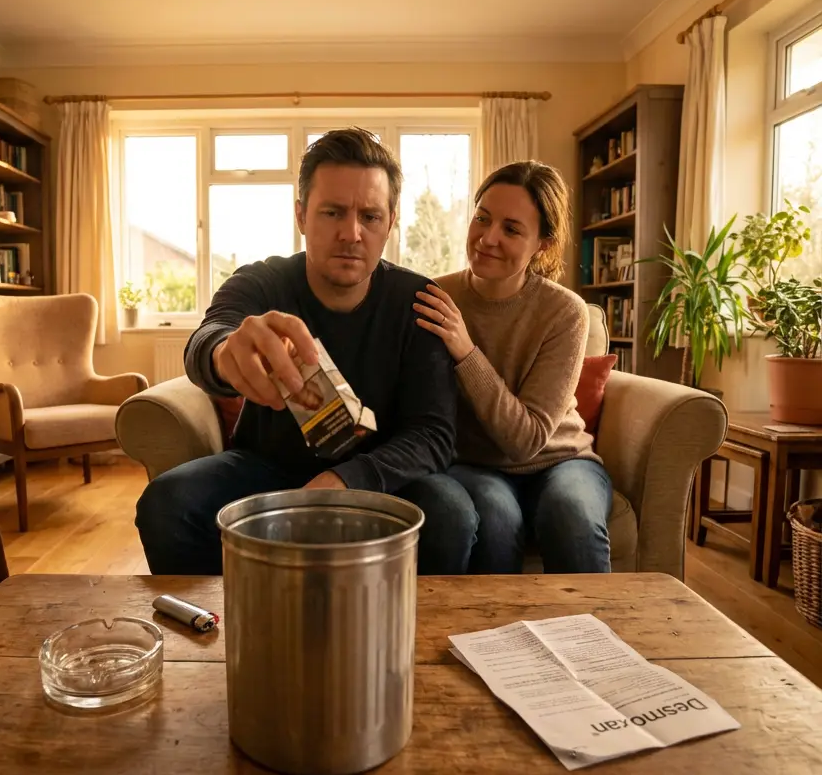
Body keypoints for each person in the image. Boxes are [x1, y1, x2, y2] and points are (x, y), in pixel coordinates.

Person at [136, 128, 477, 575]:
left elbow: (433, 435)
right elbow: (208, 337)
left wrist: (345, 480)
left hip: (384, 479)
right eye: (332, 212)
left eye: (370, 216)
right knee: (167, 501)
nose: (351, 233)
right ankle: (223, 627)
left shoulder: (418, 301)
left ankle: (407, 637)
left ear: (391, 222)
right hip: (268, 469)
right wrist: (224, 353)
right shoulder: (261, 282)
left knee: (451, 513)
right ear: (301, 214)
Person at [412, 160, 612, 574]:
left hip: (561, 459)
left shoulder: (565, 312)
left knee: (572, 515)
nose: (487, 238)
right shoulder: (435, 295)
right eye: (482, 218)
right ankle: (491, 637)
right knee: (496, 518)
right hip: (474, 464)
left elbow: (528, 440)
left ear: (542, 243)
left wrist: (465, 351)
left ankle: (591, 637)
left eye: (511, 228)